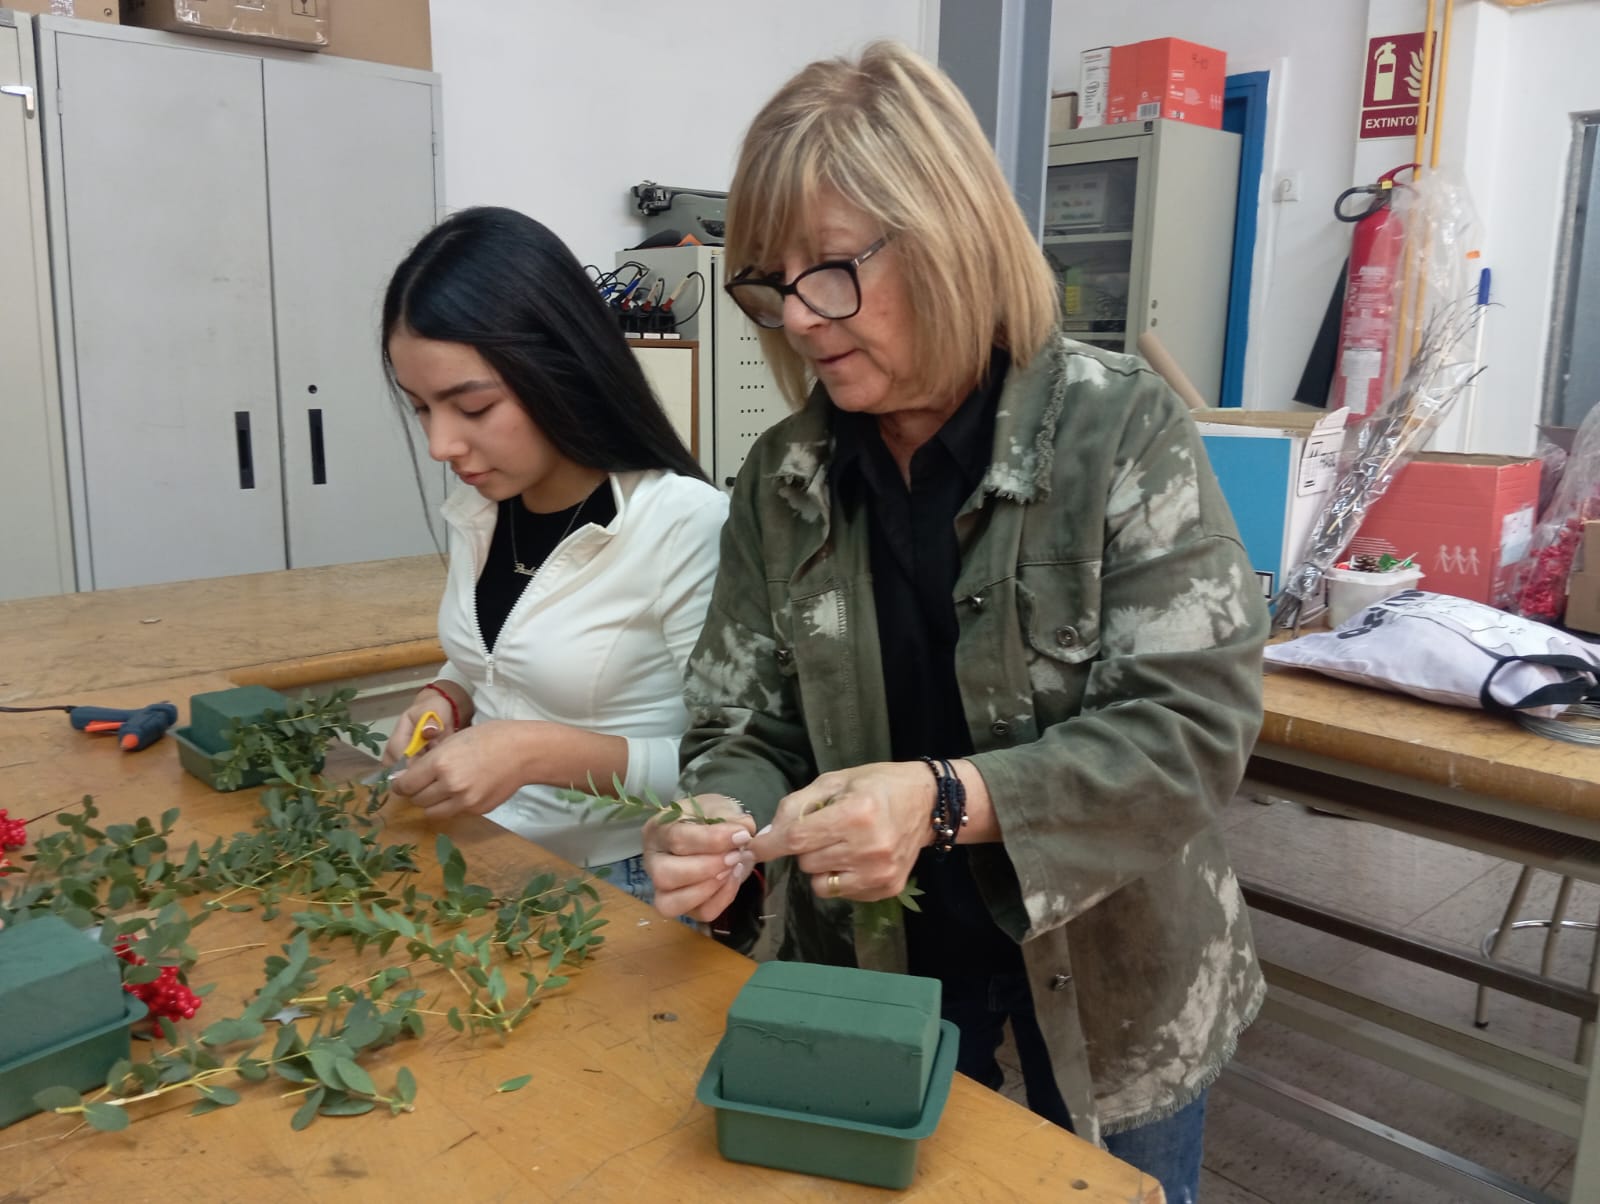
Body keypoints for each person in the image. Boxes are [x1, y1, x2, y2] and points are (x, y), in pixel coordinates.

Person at [641, 43, 1268, 1202]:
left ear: (945, 232)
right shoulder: (782, 481)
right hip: (874, 978)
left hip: (1111, 985)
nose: (799, 317)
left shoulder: (1119, 431)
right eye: (770, 282)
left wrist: (941, 800)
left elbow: (1192, 729)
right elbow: (741, 721)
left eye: (832, 270)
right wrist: (721, 811)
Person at [379, 206, 728, 902]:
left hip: (621, 883)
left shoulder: (681, 524)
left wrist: (530, 752)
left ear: (560, 370)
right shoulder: (486, 506)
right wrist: (445, 695)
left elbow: (725, 768)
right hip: (485, 853)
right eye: (420, 407)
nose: (441, 445)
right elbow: (498, 653)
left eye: (472, 408)